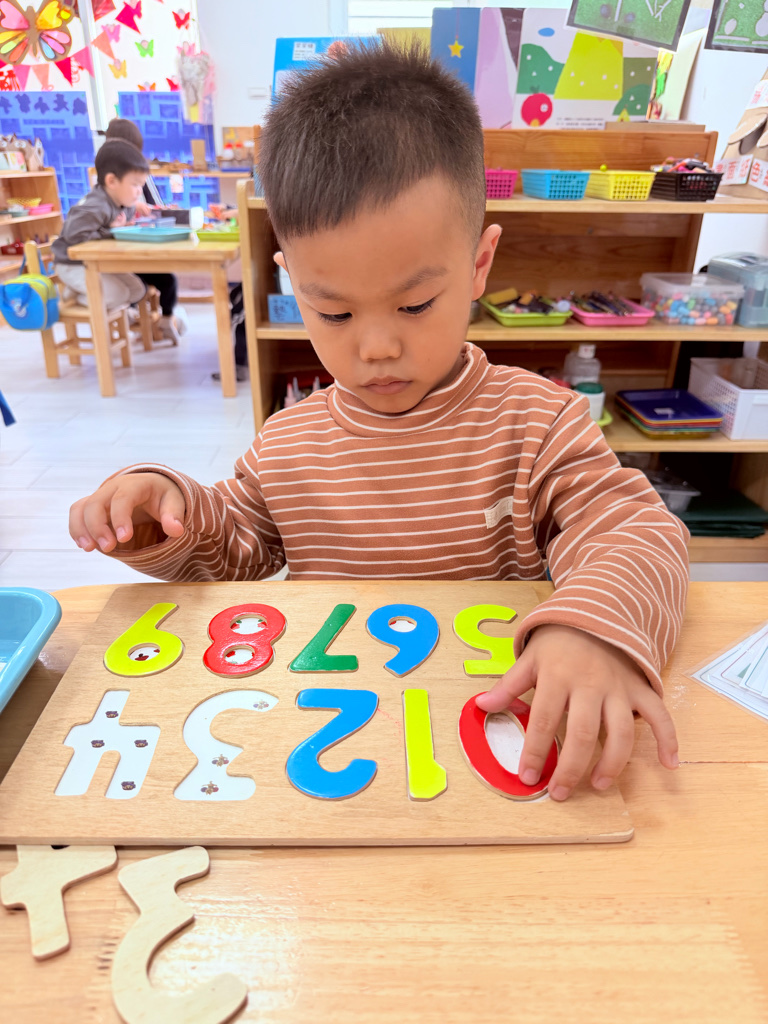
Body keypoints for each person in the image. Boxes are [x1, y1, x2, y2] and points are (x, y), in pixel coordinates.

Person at [69, 42, 687, 802]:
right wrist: (163, 510)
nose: (376, 347)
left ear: (480, 264)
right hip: (331, 761)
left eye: (415, 304)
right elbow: (232, 552)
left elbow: (637, 532)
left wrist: (592, 629)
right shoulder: (288, 442)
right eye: (333, 312)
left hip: (493, 753)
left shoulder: (539, 423)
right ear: (292, 281)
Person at [103, 117, 186, 344]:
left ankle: (166, 321)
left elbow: (154, 205)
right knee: (134, 286)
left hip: (139, 249)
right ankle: (134, 319)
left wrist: (150, 209)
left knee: (168, 280)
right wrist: (130, 209)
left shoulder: (139, 173)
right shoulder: (107, 180)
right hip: (119, 256)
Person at [52, 139, 148, 311]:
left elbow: (124, 219)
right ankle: (73, 297)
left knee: (136, 290)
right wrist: (112, 231)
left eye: (141, 185)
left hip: (95, 262)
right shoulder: (95, 206)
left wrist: (124, 225)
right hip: (72, 264)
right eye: (135, 184)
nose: (139, 191)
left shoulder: (122, 202)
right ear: (112, 181)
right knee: (117, 295)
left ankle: (94, 299)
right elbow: (74, 235)